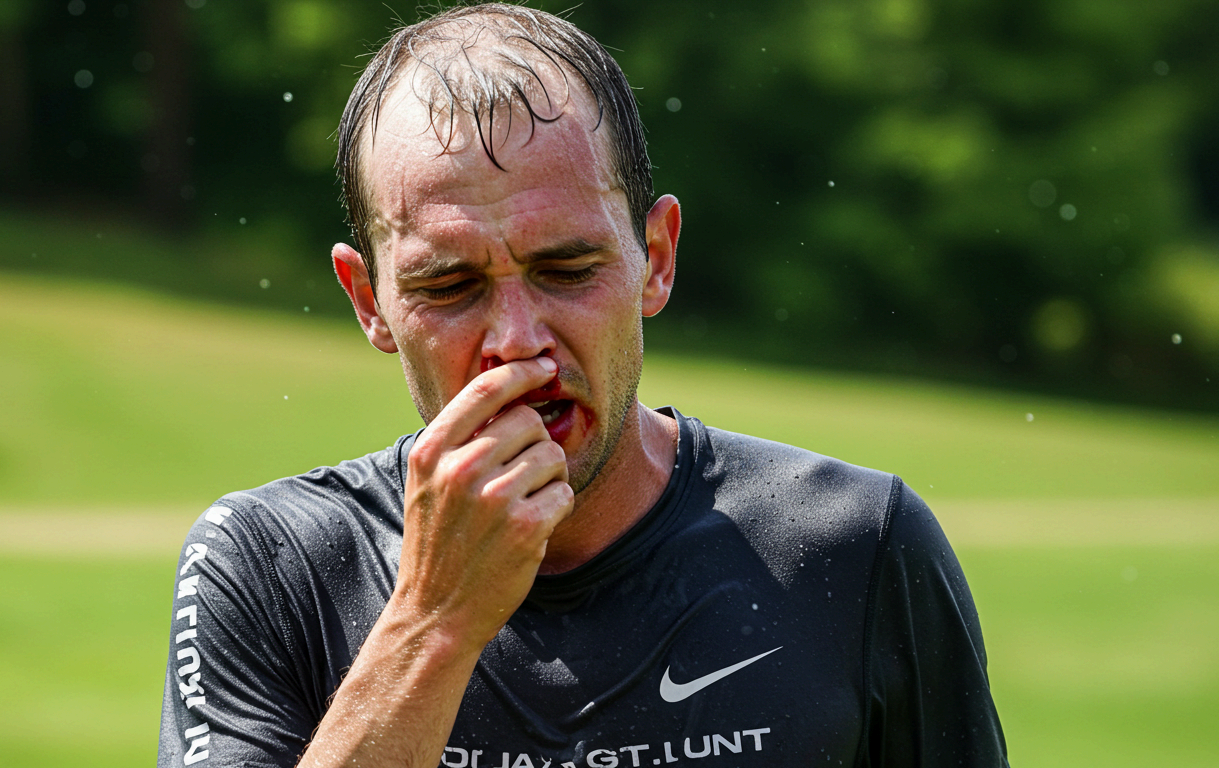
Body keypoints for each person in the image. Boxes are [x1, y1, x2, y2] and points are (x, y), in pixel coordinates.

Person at [157, 5, 1008, 767]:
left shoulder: (857, 546)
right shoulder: (267, 567)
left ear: (657, 259)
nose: (517, 342)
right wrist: (431, 622)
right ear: (369, 302)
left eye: (567, 268)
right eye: (449, 287)